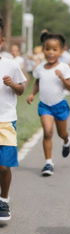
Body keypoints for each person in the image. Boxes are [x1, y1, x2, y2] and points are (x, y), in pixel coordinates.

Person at [27, 32, 70, 176]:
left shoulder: (64, 67)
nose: (51, 52)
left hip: (59, 105)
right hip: (45, 106)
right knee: (47, 132)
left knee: (62, 133)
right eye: (48, 49)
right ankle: (48, 163)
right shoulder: (40, 68)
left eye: (54, 49)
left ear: (61, 51)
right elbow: (37, 82)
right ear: (43, 50)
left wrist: (62, 78)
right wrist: (32, 94)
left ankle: (66, 140)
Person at [0, 18, 27, 221]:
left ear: (1, 41)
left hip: (6, 121)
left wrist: (12, 85)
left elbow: (21, 89)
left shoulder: (10, 64)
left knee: (3, 166)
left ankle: (4, 199)